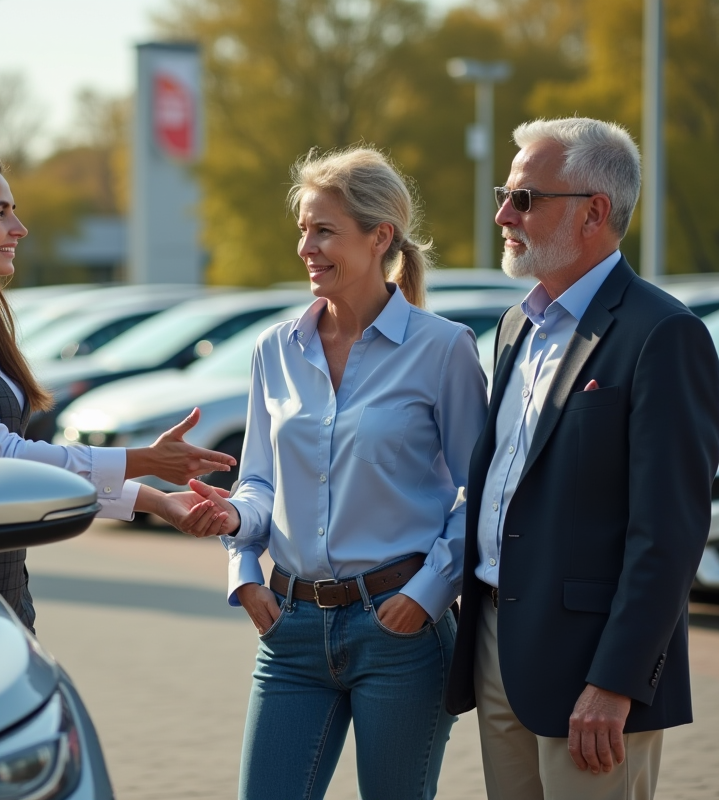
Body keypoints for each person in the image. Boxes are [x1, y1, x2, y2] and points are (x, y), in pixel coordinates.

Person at [179, 146, 488, 800]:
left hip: (400, 632)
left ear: (380, 237)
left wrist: (429, 591)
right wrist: (241, 560)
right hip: (288, 628)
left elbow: (484, 493)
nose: (306, 248)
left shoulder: (443, 349)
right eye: (303, 229)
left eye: (324, 230)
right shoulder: (275, 349)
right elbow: (259, 484)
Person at [444, 118, 719, 800]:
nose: (503, 215)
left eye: (524, 198)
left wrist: (616, 681)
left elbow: (669, 533)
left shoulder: (664, 333)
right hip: (497, 646)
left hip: (592, 672)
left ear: (595, 212)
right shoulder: (516, 325)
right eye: (504, 195)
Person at [0, 150, 235, 631]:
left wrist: (157, 500)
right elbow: (2, 460)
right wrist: (146, 461)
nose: (19, 228)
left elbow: (25, 470)